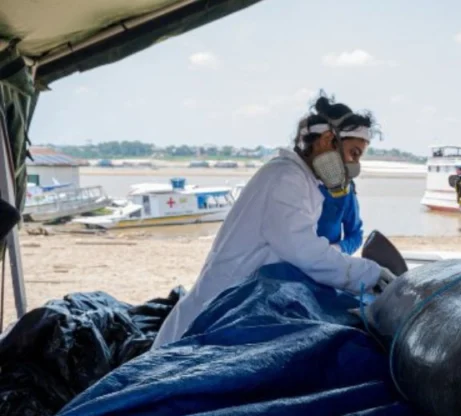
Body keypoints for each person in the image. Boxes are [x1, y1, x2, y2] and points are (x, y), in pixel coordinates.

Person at [151, 91, 395, 349]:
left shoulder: (301, 181)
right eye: (354, 153)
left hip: (229, 310)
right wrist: (369, 274)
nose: (354, 165)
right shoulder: (285, 179)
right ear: (327, 140)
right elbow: (304, 252)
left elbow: (303, 251)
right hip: (205, 321)